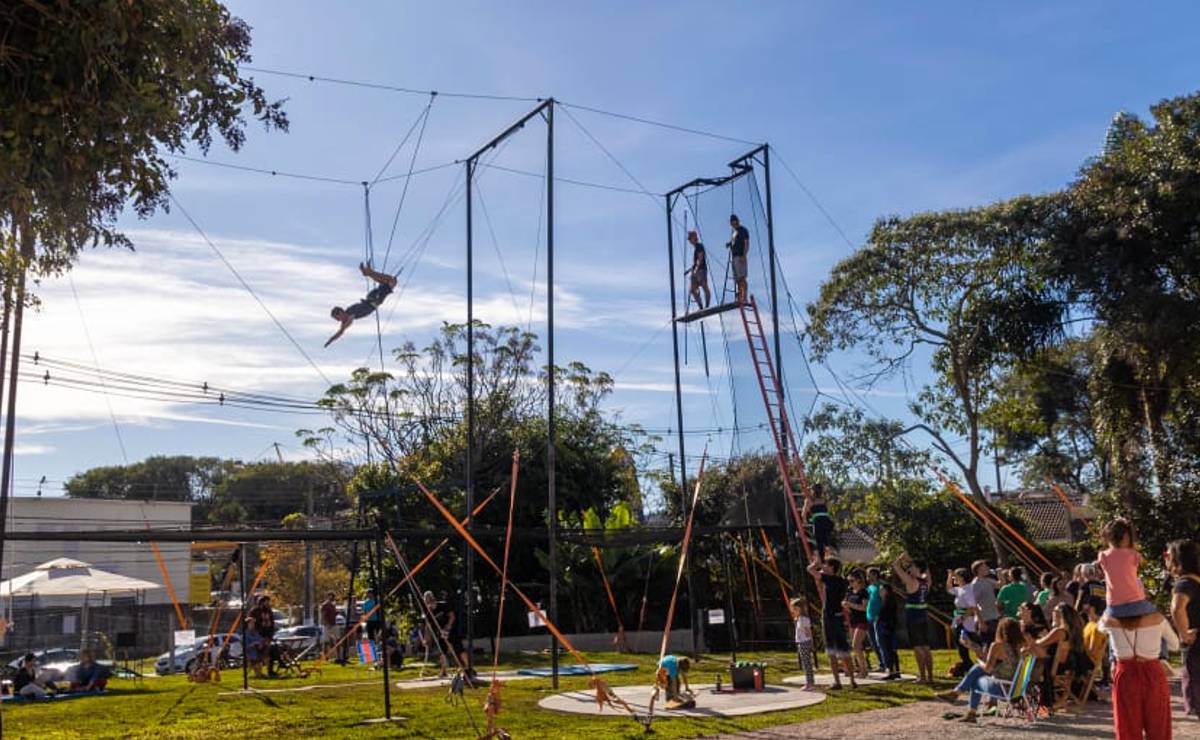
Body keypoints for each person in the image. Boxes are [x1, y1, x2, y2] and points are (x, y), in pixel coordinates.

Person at [1099, 607, 1179, 740]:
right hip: (1152, 670)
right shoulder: (1157, 619)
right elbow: (1175, 645)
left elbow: (1100, 627)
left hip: (1125, 671)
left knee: (1127, 726)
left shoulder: (1109, 620)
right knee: (1158, 724)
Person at [937, 617, 1024, 724]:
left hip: (1001, 688)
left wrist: (979, 662)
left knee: (976, 676)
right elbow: (995, 666)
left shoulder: (997, 646)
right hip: (1016, 689)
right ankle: (960, 699)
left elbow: (988, 668)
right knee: (977, 672)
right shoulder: (1020, 647)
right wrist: (974, 648)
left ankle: (962, 701)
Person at [807, 555, 856, 689]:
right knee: (844, 649)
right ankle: (852, 681)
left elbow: (810, 569)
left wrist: (816, 563)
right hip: (839, 616)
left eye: (826, 565)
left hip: (829, 617)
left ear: (832, 567)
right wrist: (822, 564)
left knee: (831, 651)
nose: (824, 567)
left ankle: (837, 682)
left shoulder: (830, 579)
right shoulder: (841, 581)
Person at [325, 262, 399, 347]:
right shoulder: (348, 318)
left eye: (337, 318)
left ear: (341, 313)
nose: (338, 320)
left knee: (391, 281)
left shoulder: (349, 315)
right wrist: (331, 340)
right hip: (372, 299)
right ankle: (369, 273)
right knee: (388, 281)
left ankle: (369, 273)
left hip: (374, 299)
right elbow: (341, 331)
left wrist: (331, 339)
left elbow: (342, 330)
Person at [1167, 538, 1200, 718]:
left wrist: (1184, 633)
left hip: (1195, 644)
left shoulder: (1185, 583)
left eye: (1168, 555)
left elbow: (1177, 608)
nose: (1166, 559)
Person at [1098, 517, 1155, 619]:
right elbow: (1143, 562)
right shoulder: (1134, 554)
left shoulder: (1103, 556)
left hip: (1114, 606)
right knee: (1157, 615)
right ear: (1126, 537)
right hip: (1137, 603)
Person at [892, 553, 934, 684]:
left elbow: (895, 566)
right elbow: (927, 570)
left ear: (917, 569)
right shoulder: (926, 582)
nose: (910, 569)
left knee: (917, 647)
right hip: (923, 615)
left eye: (912, 567)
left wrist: (901, 558)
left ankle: (923, 677)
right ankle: (930, 676)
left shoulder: (911, 581)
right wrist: (913, 561)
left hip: (913, 617)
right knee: (926, 647)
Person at [947, 567, 979, 676]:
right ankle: (967, 665)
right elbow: (949, 588)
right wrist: (950, 576)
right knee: (961, 645)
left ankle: (971, 665)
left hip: (967, 621)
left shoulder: (968, 590)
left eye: (956, 576)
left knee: (968, 643)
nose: (954, 578)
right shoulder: (960, 589)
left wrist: (962, 619)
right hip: (959, 618)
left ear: (962, 577)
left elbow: (971, 607)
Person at [843, 569, 871, 679]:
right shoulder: (850, 592)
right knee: (856, 646)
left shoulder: (863, 592)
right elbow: (847, 605)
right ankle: (860, 668)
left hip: (862, 620)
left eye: (852, 581)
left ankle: (864, 670)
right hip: (852, 620)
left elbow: (864, 608)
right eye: (849, 581)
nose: (850, 583)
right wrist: (846, 606)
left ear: (859, 580)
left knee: (856, 644)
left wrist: (850, 604)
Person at [970, 559, 1001, 644]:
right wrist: (981, 622)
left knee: (997, 643)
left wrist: (999, 573)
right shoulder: (976, 584)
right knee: (988, 644)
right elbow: (973, 604)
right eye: (985, 567)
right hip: (985, 619)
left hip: (994, 616)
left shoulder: (987, 580)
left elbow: (1000, 585)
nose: (988, 568)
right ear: (979, 570)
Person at [876, 580, 902, 679]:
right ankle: (895, 670)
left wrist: (883, 624)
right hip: (887, 627)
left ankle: (891, 670)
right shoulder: (885, 601)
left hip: (886, 628)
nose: (880, 592)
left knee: (887, 649)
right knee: (890, 650)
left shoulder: (888, 602)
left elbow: (888, 616)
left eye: (881, 590)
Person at [803, 484, 836, 561]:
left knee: (819, 542)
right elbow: (827, 511)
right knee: (826, 540)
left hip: (819, 522)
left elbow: (803, 514)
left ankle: (822, 559)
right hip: (827, 522)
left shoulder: (809, 500)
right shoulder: (824, 500)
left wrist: (805, 522)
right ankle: (827, 555)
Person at [248, 594, 278, 677]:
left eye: (268, 602)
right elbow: (252, 624)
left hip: (268, 635)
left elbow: (272, 624)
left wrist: (270, 636)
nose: (268, 603)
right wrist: (258, 638)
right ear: (261, 602)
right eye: (266, 602)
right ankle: (259, 671)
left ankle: (270, 670)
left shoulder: (269, 611)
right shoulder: (255, 611)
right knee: (261, 652)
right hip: (259, 636)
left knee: (272, 651)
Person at [790, 596, 815, 690]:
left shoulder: (803, 619)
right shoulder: (800, 618)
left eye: (795, 609)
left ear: (799, 609)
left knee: (806, 663)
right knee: (806, 663)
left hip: (804, 642)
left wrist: (810, 642)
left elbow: (808, 632)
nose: (793, 611)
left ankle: (810, 683)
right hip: (802, 642)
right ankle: (810, 682)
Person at [865, 567, 886, 672]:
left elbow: (884, 601)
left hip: (878, 617)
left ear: (875, 575)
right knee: (873, 641)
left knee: (880, 641)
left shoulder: (881, 586)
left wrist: (881, 614)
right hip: (869, 617)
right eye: (867, 576)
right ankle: (881, 663)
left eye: (869, 575)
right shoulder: (869, 588)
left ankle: (885, 663)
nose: (867, 578)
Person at [727, 214, 750, 304]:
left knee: (742, 278)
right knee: (737, 279)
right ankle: (740, 296)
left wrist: (744, 255)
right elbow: (734, 242)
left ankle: (745, 297)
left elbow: (746, 243)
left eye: (735, 223)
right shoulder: (734, 232)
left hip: (740, 256)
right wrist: (729, 244)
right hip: (734, 257)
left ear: (737, 222)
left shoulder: (743, 230)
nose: (734, 225)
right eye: (732, 224)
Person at [685, 231, 710, 309]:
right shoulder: (696, 248)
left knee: (704, 286)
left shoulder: (699, 246)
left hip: (701, 270)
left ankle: (707, 305)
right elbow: (696, 262)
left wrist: (695, 270)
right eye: (689, 239)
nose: (689, 241)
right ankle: (701, 306)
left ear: (694, 238)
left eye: (690, 239)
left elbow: (700, 258)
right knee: (692, 290)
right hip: (697, 270)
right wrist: (689, 270)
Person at [320, 591, 341, 655]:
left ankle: (339, 655)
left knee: (338, 639)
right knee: (326, 641)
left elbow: (333, 614)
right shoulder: (325, 604)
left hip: (333, 624)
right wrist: (326, 623)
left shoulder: (333, 605)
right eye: (332, 596)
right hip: (327, 625)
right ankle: (326, 655)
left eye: (333, 596)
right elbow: (323, 615)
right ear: (329, 596)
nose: (333, 598)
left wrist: (336, 612)